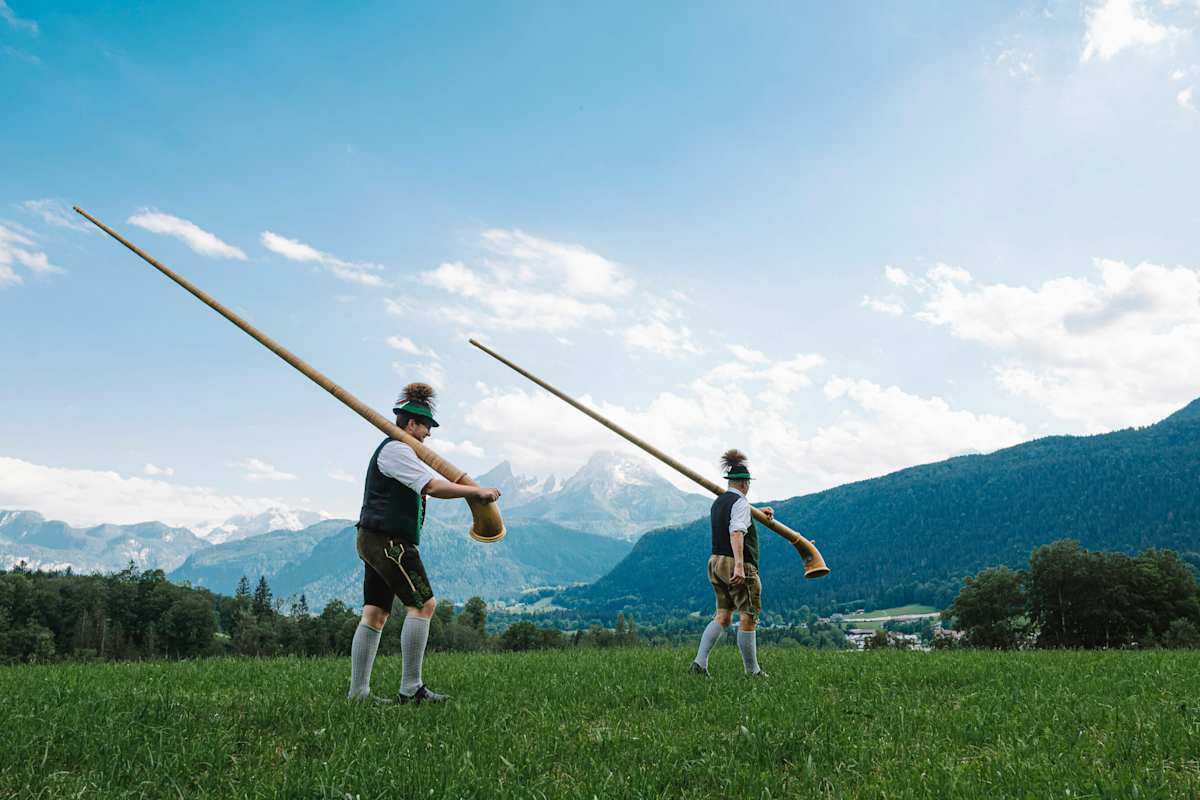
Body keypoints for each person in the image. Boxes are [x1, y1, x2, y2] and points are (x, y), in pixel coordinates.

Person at [346, 382, 501, 704]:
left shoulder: (395, 450)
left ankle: (359, 694)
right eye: (426, 427)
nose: (428, 434)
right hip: (389, 541)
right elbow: (431, 486)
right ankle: (411, 689)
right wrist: (477, 491)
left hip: (373, 538)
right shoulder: (397, 450)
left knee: (375, 613)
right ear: (411, 424)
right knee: (423, 604)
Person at [690, 449, 772, 678]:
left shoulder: (719, 502)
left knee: (723, 616)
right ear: (745, 483)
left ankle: (700, 663)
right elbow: (736, 531)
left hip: (714, 562)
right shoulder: (741, 503)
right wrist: (738, 565)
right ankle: (752, 672)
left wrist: (758, 513)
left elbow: (735, 517)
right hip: (735, 564)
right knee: (748, 616)